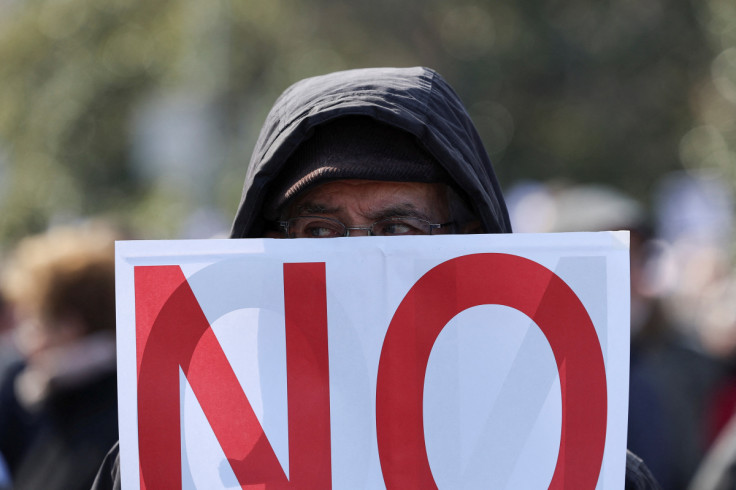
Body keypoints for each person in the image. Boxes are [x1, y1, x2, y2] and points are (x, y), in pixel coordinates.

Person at [92, 66, 659, 488]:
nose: (356, 265)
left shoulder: (578, 464)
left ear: (470, 240)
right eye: (319, 231)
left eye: (398, 231)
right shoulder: (177, 460)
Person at [0, 223, 119, 490]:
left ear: (69, 327)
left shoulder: (104, 428)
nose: (25, 341)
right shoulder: (57, 406)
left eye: (34, 323)